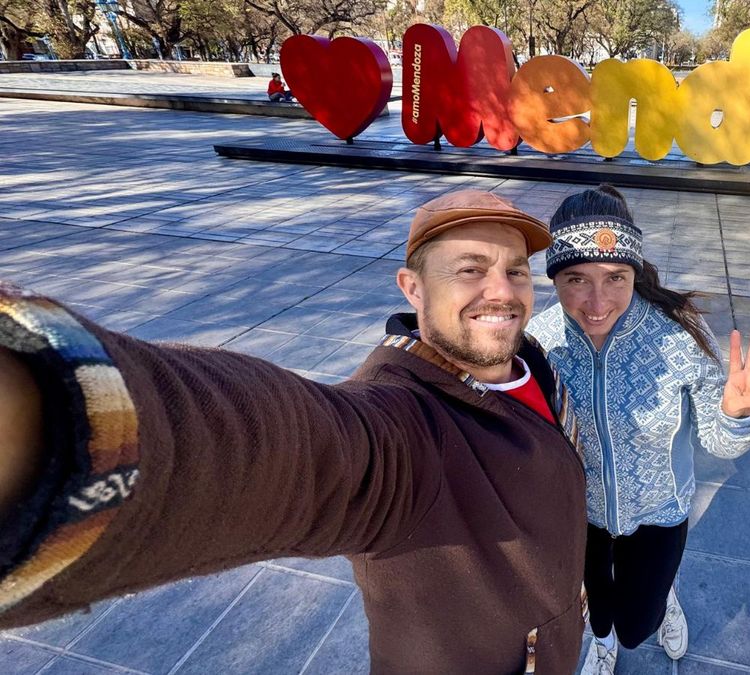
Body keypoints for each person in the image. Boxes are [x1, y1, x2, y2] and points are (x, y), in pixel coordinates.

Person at [0, 190, 588, 674]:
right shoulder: (401, 423)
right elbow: (286, 449)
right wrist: (53, 414)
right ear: (412, 288)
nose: (503, 292)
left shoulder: (528, 358)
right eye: (470, 270)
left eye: (515, 271)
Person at [525, 186, 750, 673]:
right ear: (553, 278)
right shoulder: (539, 342)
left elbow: (720, 444)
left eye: (615, 277)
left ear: (634, 273)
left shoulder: (678, 336)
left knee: (638, 623)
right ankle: (600, 641)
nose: (597, 302)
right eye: (576, 278)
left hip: (660, 512)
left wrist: (736, 415)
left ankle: (663, 600)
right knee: (597, 607)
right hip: (580, 517)